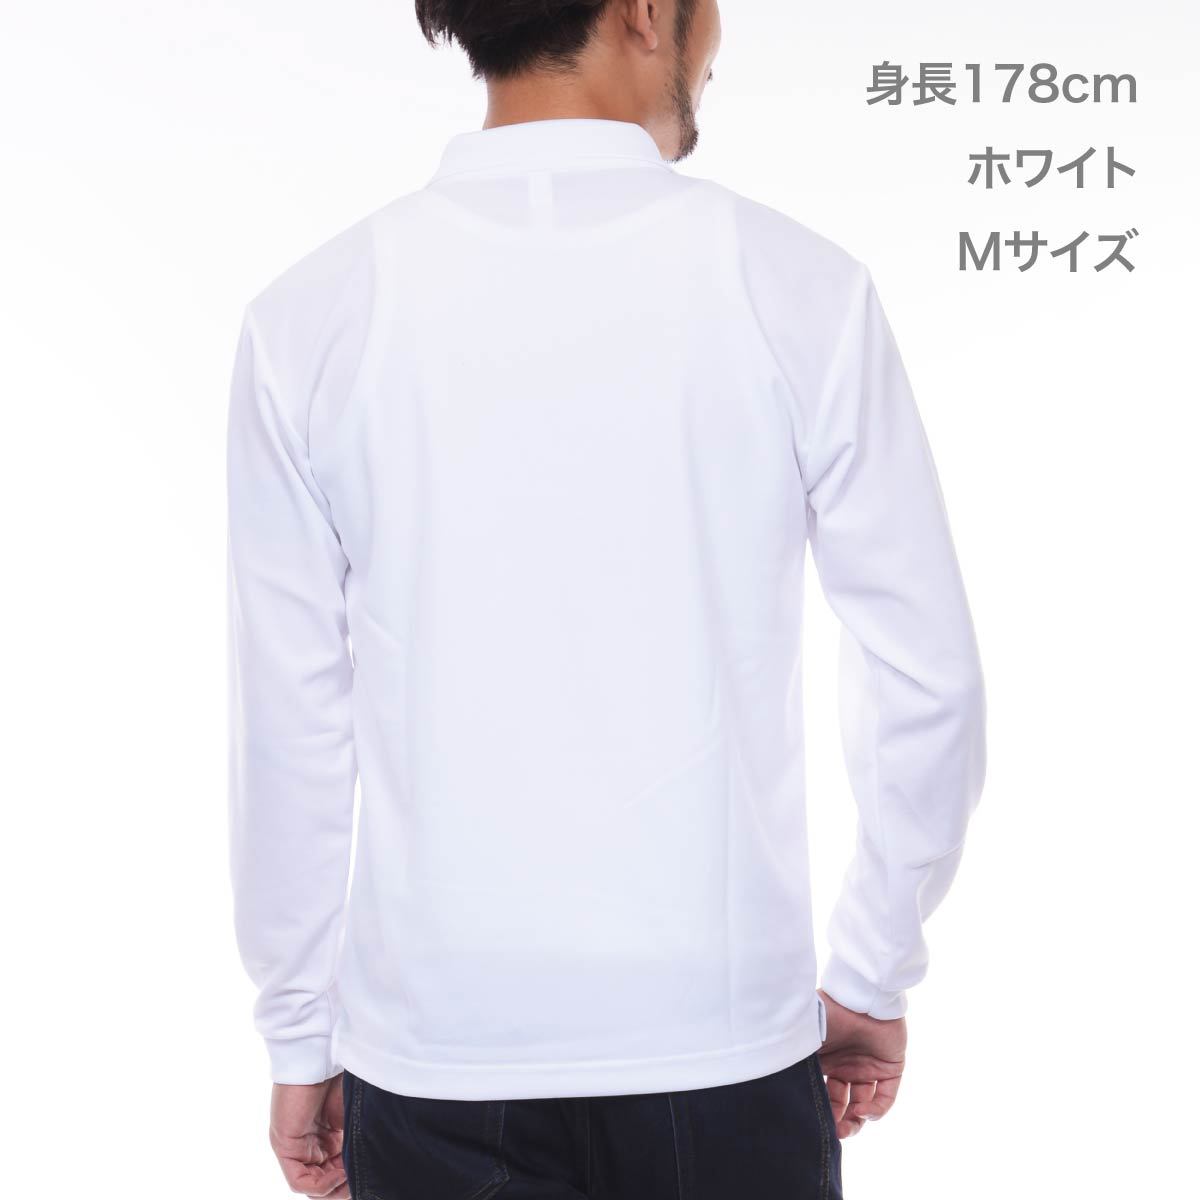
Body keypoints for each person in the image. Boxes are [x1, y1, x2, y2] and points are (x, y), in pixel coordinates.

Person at [225, 1, 987, 1196]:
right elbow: (926, 680)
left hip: (435, 1053)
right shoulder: (799, 288)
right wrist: (872, 969)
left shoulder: (310, 318)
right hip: (724, 1044)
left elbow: (289, 725)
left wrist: (299, 1033)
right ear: (643, 8)